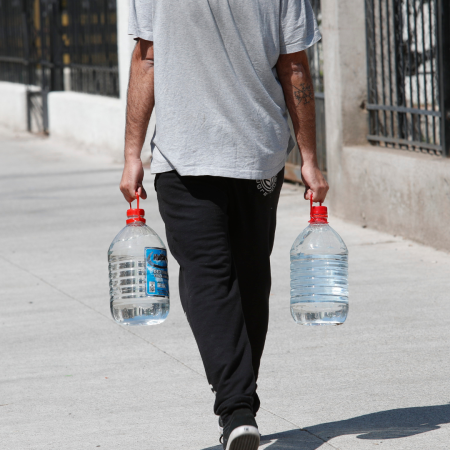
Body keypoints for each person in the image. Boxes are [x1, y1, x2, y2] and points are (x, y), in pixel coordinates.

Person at [120, 1, 328, 448]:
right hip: (245, 154)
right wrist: (308, 157)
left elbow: (147, 57)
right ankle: (238, 408)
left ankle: (237, 407)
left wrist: (132, 154)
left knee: (221, 279)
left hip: (208, 155)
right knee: (237, 277)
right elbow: (294, 65)